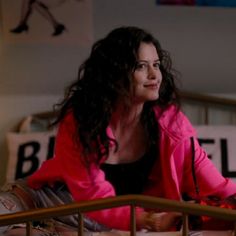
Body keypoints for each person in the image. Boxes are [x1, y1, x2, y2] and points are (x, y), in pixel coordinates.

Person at [1, 26, 236, 232]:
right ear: (116, 73)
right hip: (63, 203)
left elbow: (213, 183)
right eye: (141, 66)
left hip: (125, 221)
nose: (155, 75)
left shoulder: (171, 123)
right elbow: (93, 198)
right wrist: (150, 221)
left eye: (156, 65)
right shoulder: (81, 120)